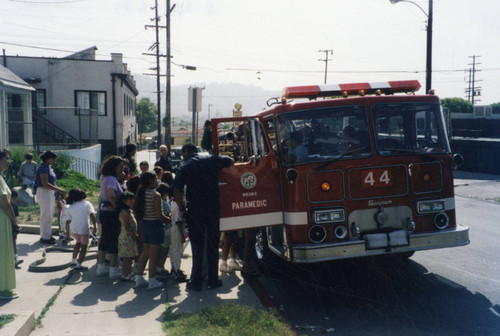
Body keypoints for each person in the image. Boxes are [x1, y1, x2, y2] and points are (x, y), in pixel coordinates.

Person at [172, 143, 234, 291]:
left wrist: (182, 209)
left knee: (197, 246)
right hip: (212, 207)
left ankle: (196, 281)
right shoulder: (211, 159)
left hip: (195, 209)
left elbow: (176, 190)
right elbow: (230, 161)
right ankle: (213, 279)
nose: (183, 156)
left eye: (183, 153)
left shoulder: (185, 166)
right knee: (213, 243)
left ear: (186, 151)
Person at [133, 172, 170, 289]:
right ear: (150, 181)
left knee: (145, 252)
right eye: (155, 179)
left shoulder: (141, 193)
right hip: (155, 225)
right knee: (154, 255)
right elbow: (160, 215)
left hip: (145, 224)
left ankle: (139, 278)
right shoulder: (156, 195)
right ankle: (152, 279)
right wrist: (170, 219)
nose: (157, 180)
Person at [96, 156, 126, 279]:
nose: (122, 169)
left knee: (104, 238)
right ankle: (113, 268)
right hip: (112, 213)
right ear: (114, 167)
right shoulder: (112, 180)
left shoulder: (104, 177)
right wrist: (118, 208)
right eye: (120, 167)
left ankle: (101, 266)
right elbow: (111, 195)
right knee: (114, 240)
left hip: (104, 211)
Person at [35, 151, 66, 244]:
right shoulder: (43, 168)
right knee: (46, 215)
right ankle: (45, 237)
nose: (54, 160)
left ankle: (47, 234)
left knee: (49, 214)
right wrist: (59, 190)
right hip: (44, 192)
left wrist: (56, 190)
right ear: (47, 158)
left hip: (49, 193)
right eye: (52, 158)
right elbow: (45, 184)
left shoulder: (48, 167)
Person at [0, 149, 18, 300]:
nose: (8, 161)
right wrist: (15, 221)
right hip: (2, 219)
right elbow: (6, 204)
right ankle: (3, 288)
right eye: (6, 158)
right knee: (4, 253)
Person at [66, 188, 96, 271]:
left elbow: (68, 221)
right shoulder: (87, 203)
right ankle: (79, 265)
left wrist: (67, 233)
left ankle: (73, 261)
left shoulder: (70, 207)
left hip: (74, 230)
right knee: (84, 247)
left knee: (77, 243)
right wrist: (95, 226)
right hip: (84, 230)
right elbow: (92, 215)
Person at [117, 192, 139, 281]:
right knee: (127, 258)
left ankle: (128, 273)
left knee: (129, 257)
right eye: (130, 199)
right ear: (123, 201)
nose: (132, 201)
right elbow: (126, 227)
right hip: (127, 237)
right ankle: (126, 274)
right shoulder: (124, 212)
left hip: (129, 237)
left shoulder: (129, 211)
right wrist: (134, 235)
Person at [10, 189, 23, 267]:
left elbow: (15, 218)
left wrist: (17, 226)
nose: (15, 200)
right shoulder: (5, 205)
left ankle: (16, 258)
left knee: (14, 242)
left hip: (13, 227)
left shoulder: (14, 206)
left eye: (16, 198)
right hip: (7, 226)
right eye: (14, 198)